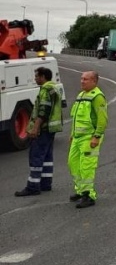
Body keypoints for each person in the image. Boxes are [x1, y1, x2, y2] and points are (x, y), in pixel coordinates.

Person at [14, 67, 63, 197]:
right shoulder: (54, 88)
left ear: (43, 77)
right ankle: (45, 184)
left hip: (43, 128)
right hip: (51, 129)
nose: (35, 79)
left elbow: (43, 111)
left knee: (36, 156)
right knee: (47, 156)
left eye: (36, 76)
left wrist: (35, 128)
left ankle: (33, 187)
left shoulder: (45, 90)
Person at [68, 70, 108, 209]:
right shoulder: (81, 95)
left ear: (94, 82)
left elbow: (102, 120)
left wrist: (96, 137)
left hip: (89, 138)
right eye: (81, 78)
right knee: (73, 163)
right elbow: (76, 117)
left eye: (85, 79)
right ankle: (80, 190)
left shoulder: (97, 97)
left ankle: (88, 196)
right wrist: (72, 134)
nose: (82, 81)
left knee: (86, 167)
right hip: (77, 138)